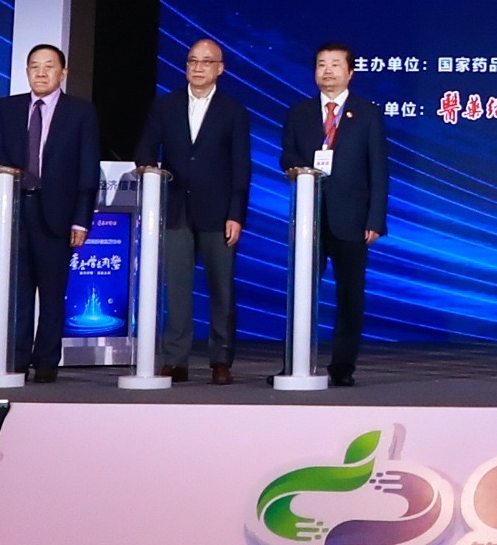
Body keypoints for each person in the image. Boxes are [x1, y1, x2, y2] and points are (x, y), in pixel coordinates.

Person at [135, 34, 254, 382]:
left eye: (206, 62)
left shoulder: (233, 110)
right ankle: (176, 358)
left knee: (221, 289)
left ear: (220, 69)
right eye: (192, 61)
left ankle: (221, 359)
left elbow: (241, 167)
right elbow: (145, 148)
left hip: (219, 212)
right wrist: (148, 169)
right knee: (176, 288)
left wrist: (236, 213)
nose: (198, 67)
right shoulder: (165, 105)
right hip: (175, 209)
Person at [0, 43, 98, 381]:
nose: (41, 73)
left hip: (57, 214)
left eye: (49, 66)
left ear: (63, 73)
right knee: (18, 291)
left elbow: (87, 169)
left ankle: (47, 360)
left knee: (51, 292)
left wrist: (81, 220)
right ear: (27, 72)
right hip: (16, 210)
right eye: (35, 66)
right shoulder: (7, 108)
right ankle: (17, 358)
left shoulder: (80, 112)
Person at [276, 42, 387, 384]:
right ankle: (294, 364)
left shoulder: (367, 114)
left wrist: (375, 219)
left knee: (349, 297)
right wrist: (297, 168)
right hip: (308, 219)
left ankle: (342, 368)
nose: (327, 71)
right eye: (321, 64)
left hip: (352, 219)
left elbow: (378, 169)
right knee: (301, 294)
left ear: (350, 72)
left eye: (335, 64)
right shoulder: (299, 113)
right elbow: (286, 155)